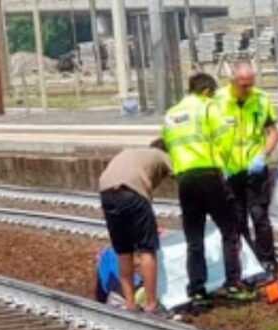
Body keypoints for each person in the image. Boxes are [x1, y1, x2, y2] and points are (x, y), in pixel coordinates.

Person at [163, 73, 252, 304]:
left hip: (185, 179)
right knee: (230, 232)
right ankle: (233, 284)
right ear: (206, 91)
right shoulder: (206, 107)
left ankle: (197, 290)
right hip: (209, 175)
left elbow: (170, 146)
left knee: (194, 238)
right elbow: (225, 140)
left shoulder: (171, 114)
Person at [213, 63, 278, 273]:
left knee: (260, 215)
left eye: (250, 85)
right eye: (243, 86)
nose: (247, 90)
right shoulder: (218, 101)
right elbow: (210, 135)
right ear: (232, 82)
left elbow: (272, 132)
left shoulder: (261, 99)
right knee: (237, 218)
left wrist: (264, 154)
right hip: (230, 171)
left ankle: (267, 259)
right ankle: (247, 260)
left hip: (255, 169)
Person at [98, 139, 172, 313]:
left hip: (107, 192)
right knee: (147, 249)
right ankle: (152, 304)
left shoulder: (132, 153)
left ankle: (130, 304)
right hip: (132, 192)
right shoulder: (161, 155)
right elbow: (183, 175)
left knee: (124, 251)